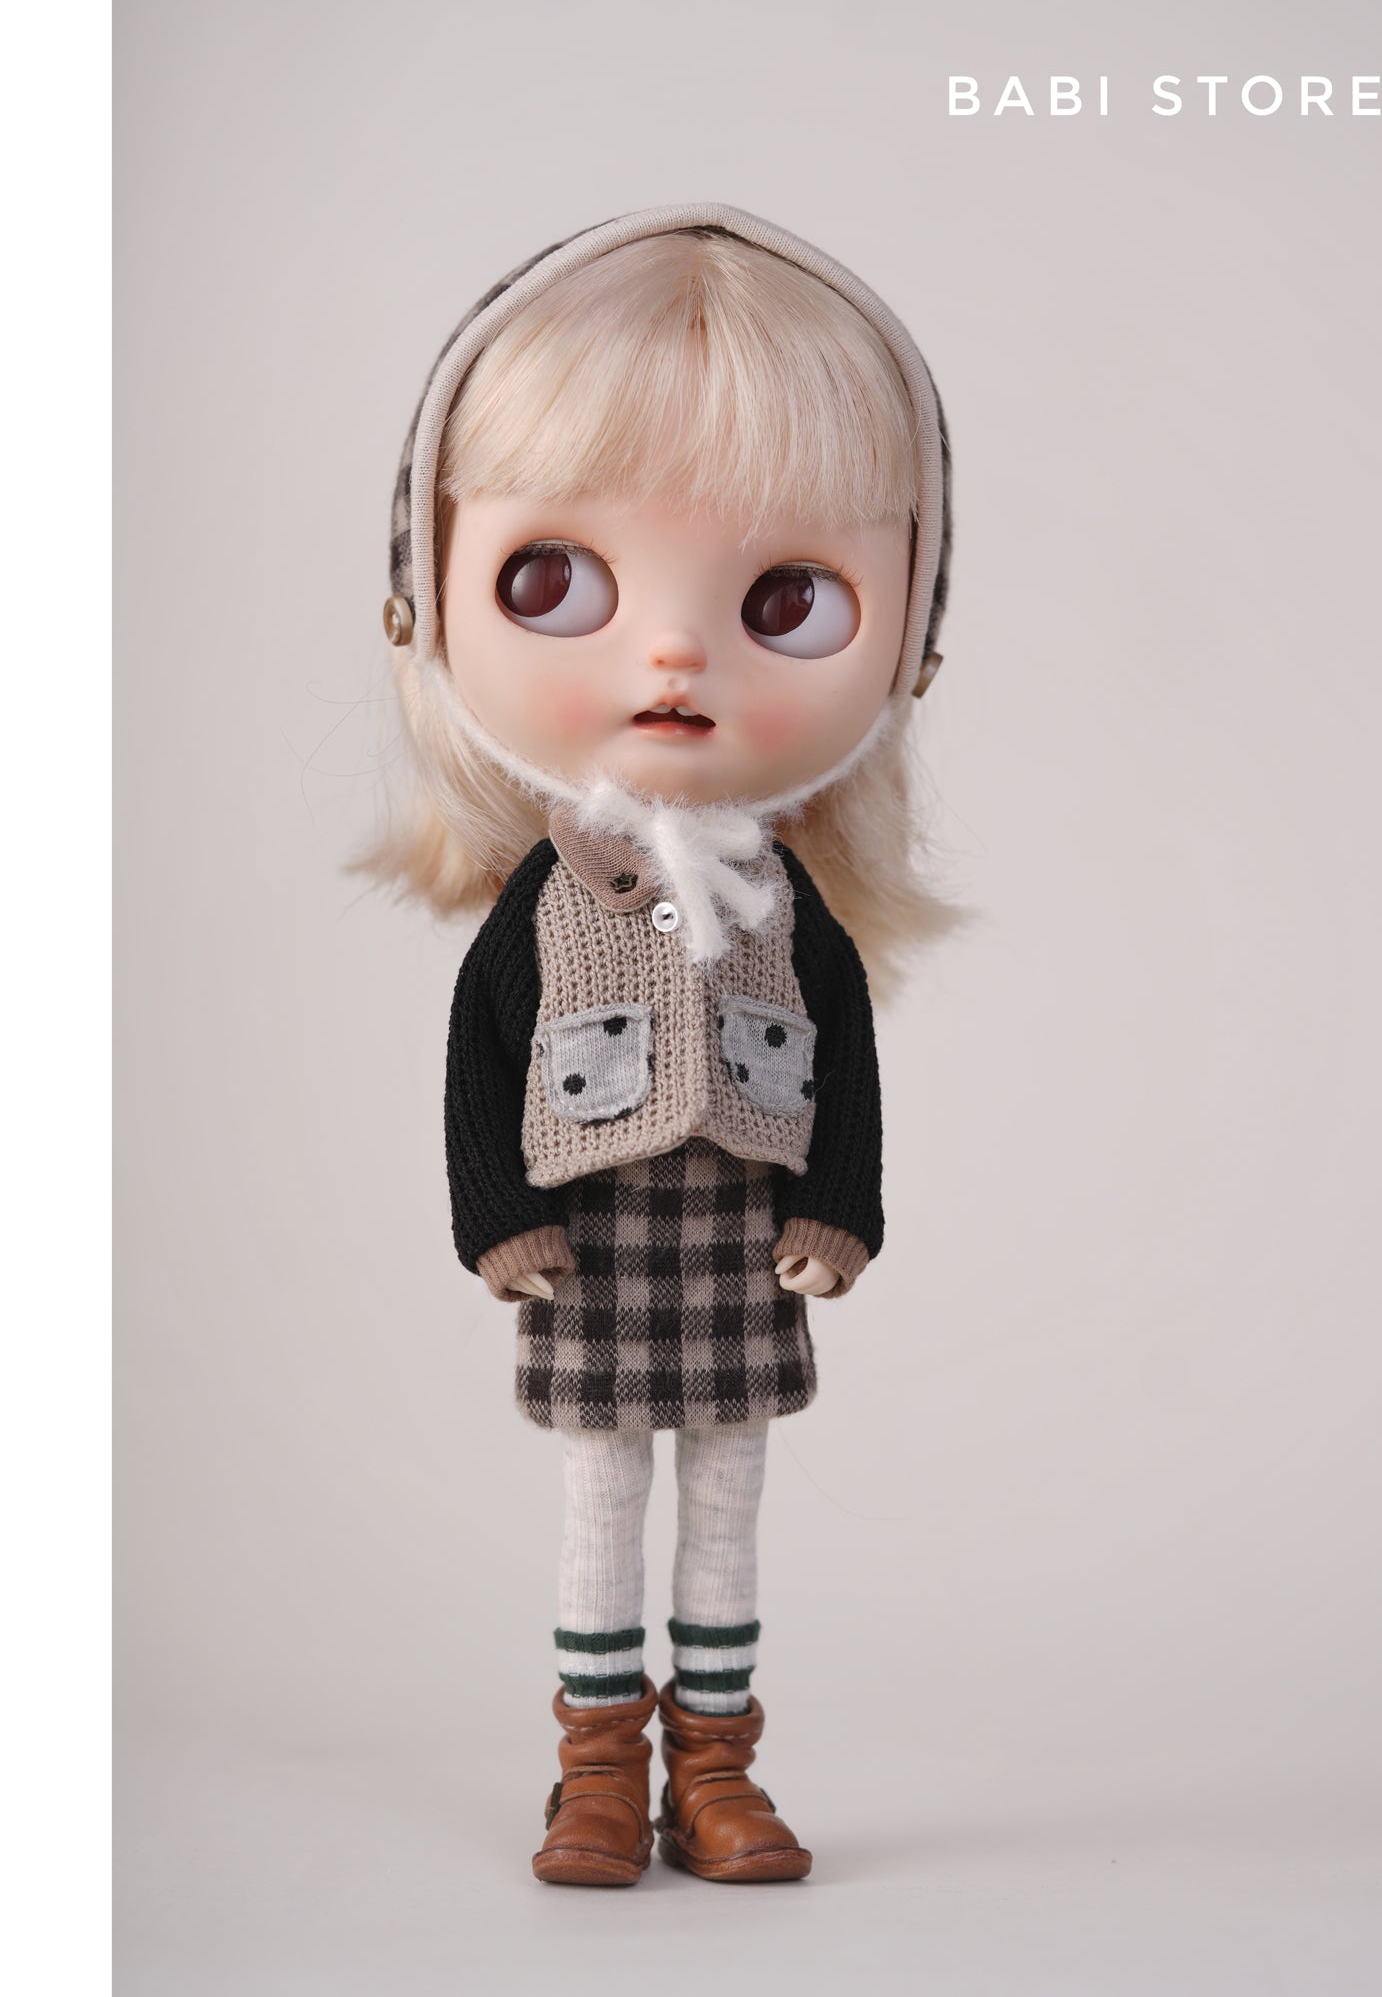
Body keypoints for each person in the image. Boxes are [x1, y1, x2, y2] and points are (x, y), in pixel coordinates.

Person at [369, 204, 955, 1885]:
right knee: (600, 1502)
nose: (677, 650)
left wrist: (840, 1206)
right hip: (594, 1250)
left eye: (789, 597)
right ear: (426, 598)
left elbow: (845, 1064)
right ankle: (593, 1772)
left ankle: (715, 1768)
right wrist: (497, 1216)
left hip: (743, 1249)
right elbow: (479, 1064)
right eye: (553, 580)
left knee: (729, 1503)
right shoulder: (545, 904)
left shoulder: (785, 906)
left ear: (911, 640)